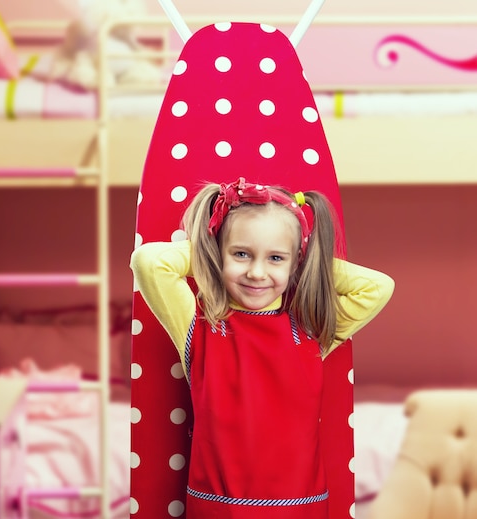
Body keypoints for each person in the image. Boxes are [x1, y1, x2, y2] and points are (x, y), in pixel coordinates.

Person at [130, 177, 394, 519]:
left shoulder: (312, 330)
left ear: (295, 262)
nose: (256, 272)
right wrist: (212, 252)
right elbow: (149, 262)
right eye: (241, 254)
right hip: (218, 508)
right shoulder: (200, 325)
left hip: (301, 509)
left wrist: (305, 261)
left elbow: (378, 287)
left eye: (275, 258)